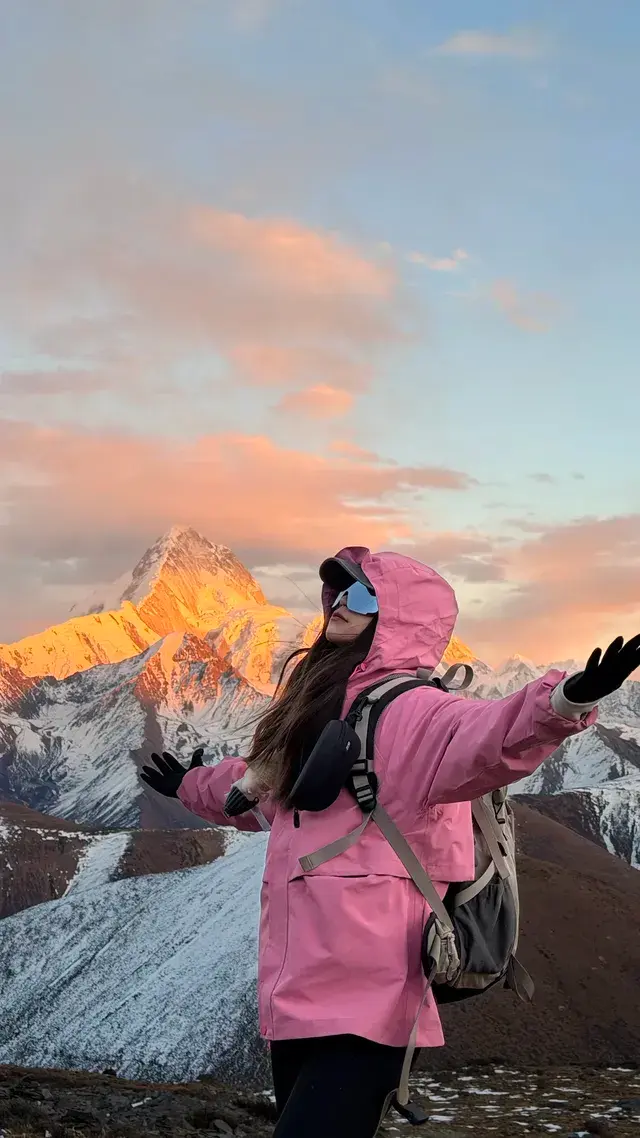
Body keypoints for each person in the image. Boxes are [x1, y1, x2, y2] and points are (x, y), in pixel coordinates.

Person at [140, 547, 640, 1138]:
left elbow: (489, 736)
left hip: (374, 993)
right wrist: (190, 785)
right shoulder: (316, 708)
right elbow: (261, 793)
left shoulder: (417, 712)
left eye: (362, 596)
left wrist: (562, 703)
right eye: (339, 594)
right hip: (296, 987)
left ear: (399, 617)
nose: (340, 607)